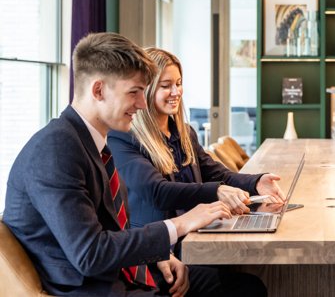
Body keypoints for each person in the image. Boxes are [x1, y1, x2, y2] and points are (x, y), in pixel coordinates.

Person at [3, 32, 243, 296]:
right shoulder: (55, 150)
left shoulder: (90, 144)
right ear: (98, 90)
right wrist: (180, 224)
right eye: (134, 92)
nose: (142, 104)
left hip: (121, 276)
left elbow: (108, 230)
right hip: (97, 289)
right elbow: (90, 254)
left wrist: (157, 254)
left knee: (242, 285)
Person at [108, 47, 284, 232]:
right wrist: (216, 191)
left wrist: (256, 182)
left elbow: (217, 175)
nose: (176, 92)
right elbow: (157, 191)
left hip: (199, 231)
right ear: (147, 90)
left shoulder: (185, 133)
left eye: (179, 83)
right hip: (161, 247)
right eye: (166, 86)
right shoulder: (123, 138)